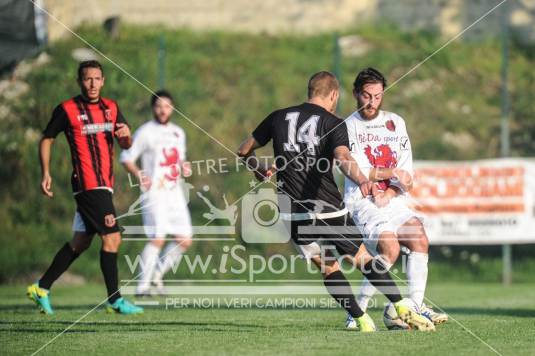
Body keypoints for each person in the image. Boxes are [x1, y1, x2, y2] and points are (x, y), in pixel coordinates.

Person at [237, 71, 435, 332]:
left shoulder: (277, 117)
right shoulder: (333, 122)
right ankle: (401, 307)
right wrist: (361, 178)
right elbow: (343, 157)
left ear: (310, 91)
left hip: (292, 212)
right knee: (363, 258)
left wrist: (257, 167)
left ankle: (361, 319)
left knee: (327, 266)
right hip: (328, 208)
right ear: (334, 95)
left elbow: (243, 150)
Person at [26, 60, 143, 314]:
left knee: (80, 242)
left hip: (105, 185)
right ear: (80, 81)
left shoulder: (111, 108)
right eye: (87, 79)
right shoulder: (67, 109)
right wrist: (45, 172)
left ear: (103, 81)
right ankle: (115, 301)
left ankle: (41, 287)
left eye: (97, 78)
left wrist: (126, 138)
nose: (92, 83)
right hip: (87, 185)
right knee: (112, 237)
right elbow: (47, 138)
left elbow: (125, 142)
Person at [343, 67, 448, 326]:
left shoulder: (395, 123)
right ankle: (356, 312)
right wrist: (388, 176)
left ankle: (415, 306)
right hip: (362, 202)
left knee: (419, 238)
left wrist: (391, 191)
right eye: (366, 96)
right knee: (389, 248)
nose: (372, 102)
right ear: (356, 94)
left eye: (377, 96)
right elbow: (357, 168)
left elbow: (407, 174)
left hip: (392, 201)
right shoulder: (347, 126)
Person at [121, 90, 193, 296]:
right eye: (159, 106)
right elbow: (127, 157)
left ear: (172, 108)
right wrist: (139, 174)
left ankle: (156, 276)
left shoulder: (179, 132)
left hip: (175, 192)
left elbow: (179, 160)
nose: (163, 110)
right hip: (154, 193)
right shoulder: (146, 131)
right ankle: (142, 286)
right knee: (158, 238)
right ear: (153, 108)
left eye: (167, 106)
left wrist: (184, 166)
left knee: (184, 240)